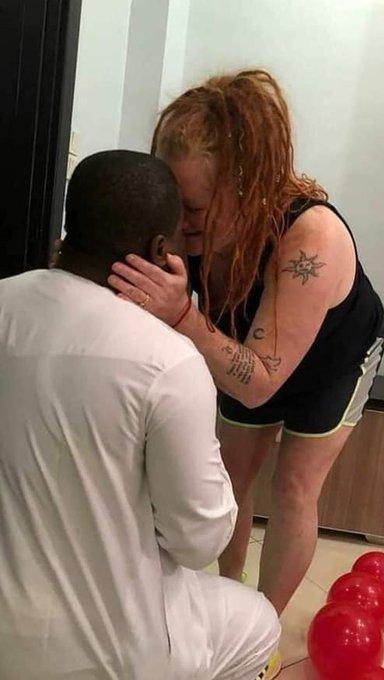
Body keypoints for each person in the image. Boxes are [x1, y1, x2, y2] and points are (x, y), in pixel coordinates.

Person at [108, 70, 384, 615]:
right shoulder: (186, 221)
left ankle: (264, 628)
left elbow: (258, 385)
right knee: (231, 474)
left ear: (248, 186)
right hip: (246, 345)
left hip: (336, 359)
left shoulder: (313, 240)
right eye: (172, 203)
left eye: (194, 209)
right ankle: (226, 600)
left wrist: (183, 314)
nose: (179, 222)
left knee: (295, 487)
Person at [0, 150, 280, 680]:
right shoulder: (166, 360)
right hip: (111, 657)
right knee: (259, 622)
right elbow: (197, 541)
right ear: (159, 250)